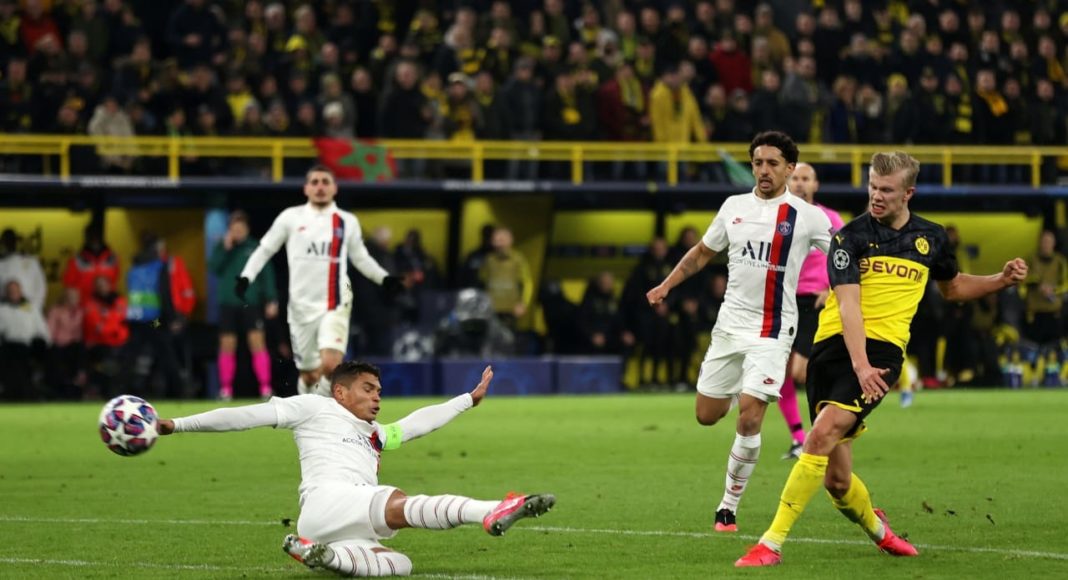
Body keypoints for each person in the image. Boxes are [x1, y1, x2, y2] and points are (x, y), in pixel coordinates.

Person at [735, 151, 1029, 567]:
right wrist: (857, 364)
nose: (876, 195)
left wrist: (1000, 280)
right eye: (872, 186)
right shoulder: (848, 238)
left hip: (881, 354)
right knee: (837, 481)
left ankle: (771, 544)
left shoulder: (931, 237)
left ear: (908, 193)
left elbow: (953, 287)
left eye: (886, 190)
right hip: (833, 350)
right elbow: (848, 305)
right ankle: (881, 532)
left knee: (819, 435)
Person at [157, 361, 555, 577]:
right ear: (340, 392)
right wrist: (178, 424)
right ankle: (490, 510)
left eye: (379, 391)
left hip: (333, 525)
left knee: (399, 565)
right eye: (368, 389)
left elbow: (417, 423)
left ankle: (323, 556)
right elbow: (244, 416)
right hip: (329, 499)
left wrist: (467, 400)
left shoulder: (376, 434)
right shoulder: (314, 408)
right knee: (397, 502)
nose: (377, 397)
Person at [646, 131, 833, 533]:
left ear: (789, 168)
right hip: (730, 327)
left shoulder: (807, 216)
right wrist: (666, 285)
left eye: (773, 164)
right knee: (706, 415)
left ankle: (727, 508)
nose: (764, 170)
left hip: (773, 331)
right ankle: (741, 388)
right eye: (758, 163)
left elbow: (842, 257)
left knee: (750, 417)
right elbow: (702, 253)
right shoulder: (733, 207)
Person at [237, 165, 404, 397]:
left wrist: (383, 278)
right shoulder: (290, 218)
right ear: (306, 188)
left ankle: (322, 414)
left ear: (335, 188)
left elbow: (360, 258)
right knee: (309, 375)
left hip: (335, 302)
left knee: (330, 365)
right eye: (314, 182)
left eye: (325, 182)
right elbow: (265, 249)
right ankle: (309, 406)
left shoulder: (346, 221)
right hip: (301, 306)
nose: (320, 187)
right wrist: (246, 276)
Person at [779, 163, 846, 459]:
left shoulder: (830, 218)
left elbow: (846, 258)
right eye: (795, 178)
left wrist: (831, 289)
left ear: (815, 184)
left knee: (801, 372)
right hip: (784, 301)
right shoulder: (778, 218)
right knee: (779, 374)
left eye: (806, 178)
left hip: (815, 304)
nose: (800, 183)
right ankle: (798, 439)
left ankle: (826, 429)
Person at [208, 210, 280, 401]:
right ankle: (225, 389)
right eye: (234, 228)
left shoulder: (255, 247)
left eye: (241, 228)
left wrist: (271, 298)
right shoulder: (222, 247)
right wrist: (225, 249)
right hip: (228, 303)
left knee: (257, 343)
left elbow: (266, 274)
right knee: (227, 345)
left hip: (251, 302)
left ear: (247, 228)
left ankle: (265, 387)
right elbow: (214, 268)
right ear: (230, 229)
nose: (238, 232)